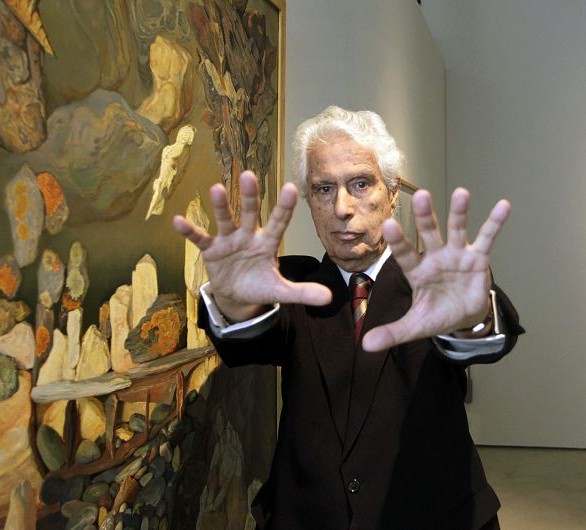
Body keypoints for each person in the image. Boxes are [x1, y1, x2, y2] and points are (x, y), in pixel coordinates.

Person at [173, 106, 524, 529]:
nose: (341, 207)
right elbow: (247, 338)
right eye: (324, 189)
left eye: (360, 184)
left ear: (392, 194)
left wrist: (472, 318)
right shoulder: (293, 285)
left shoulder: (434, 284)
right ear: (309, 202)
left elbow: (482, 338)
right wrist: (235, 302)